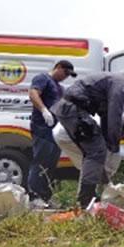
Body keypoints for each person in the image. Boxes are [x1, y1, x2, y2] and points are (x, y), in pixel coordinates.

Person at [51, 68, 124, 209]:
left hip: (70, 108)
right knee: (97, 151)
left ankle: (87, 197)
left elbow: (105, 115)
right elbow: (115, 115)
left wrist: (108, 141)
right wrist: (113, 146)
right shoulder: (121, 84)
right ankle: (85, 200)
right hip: (73, 109)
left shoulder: (114, 81)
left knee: (94, 150)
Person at [27, 60, 77, 208]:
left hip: (55, 130)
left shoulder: (60, 88)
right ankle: (34, 195)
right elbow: (33, 93)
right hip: (42, 127)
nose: (66, 77)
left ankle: (45, 196)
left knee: (51, 163)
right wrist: (44, 110)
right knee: (40, 161)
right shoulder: (43, 78)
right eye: (65, 73)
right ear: (58, 67)